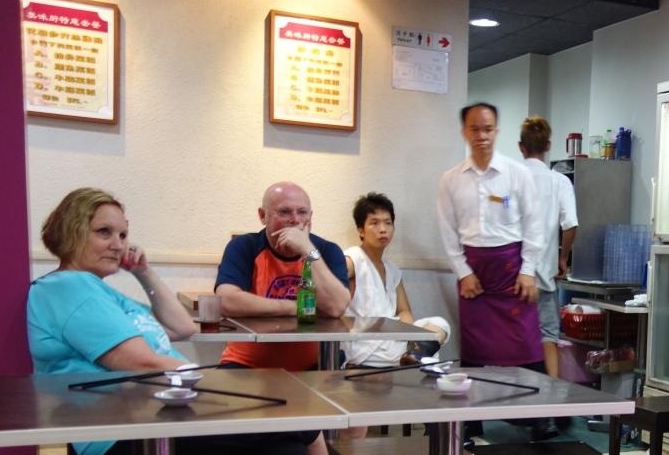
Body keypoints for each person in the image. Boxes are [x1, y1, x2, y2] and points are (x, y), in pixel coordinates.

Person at [26, 188, 330, 455]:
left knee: (281, 450)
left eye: (123, 234)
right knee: (297, 421)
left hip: (165, 413)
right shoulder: (68, 289)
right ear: (70, 231)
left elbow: (181, 328)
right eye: (104, 233)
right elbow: (140, 361)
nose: (118, 244)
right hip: (122, 433)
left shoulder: (102, 289)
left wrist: (144, 272)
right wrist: (219, 387)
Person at [437, 102, 545, 369]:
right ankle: (476, 398)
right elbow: (448, 231)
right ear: (464, 132)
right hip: (474, 276)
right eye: (474, 129)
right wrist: (463, 273)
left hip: (512, 273)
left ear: (496, 132)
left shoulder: (518, 173)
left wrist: (528, 270)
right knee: (476, 356)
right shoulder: (450, 179)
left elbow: (534, 224)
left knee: (526, 352)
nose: (481, 136)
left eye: (487, 129)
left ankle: (533, 398)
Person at [215, 181, 351, 370]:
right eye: (284, 212)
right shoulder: (244, 246)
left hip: (312, 366)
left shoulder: (327, 250)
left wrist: (308, 250)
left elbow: (336, 307)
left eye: (302, 212)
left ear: (311, 216)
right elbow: (226, 301)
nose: (295, 220)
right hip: (246, 364)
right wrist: (298, 308)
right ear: (263, 216)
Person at [343, 191, 450, 369]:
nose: (383, 229)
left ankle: (415, 353)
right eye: (374, 223)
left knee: (441, 325)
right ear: (361, 230)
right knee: (432, 355)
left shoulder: (392, 270)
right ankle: (416, 355)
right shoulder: (352, 258)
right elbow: (327, 287)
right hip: (365, 345)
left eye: (388, 223)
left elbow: (404, 311)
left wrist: (408, 334)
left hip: (393, 337)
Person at [518, 116, 578, 381]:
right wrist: (563, 258)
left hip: (513, 276)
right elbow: (571, 224)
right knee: (549, 337)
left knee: (512, 339)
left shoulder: (512, 178)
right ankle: (551, 399)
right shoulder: (559, 181)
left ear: (521, 147)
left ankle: (511, 399)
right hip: (544, 275)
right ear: (548, 145)